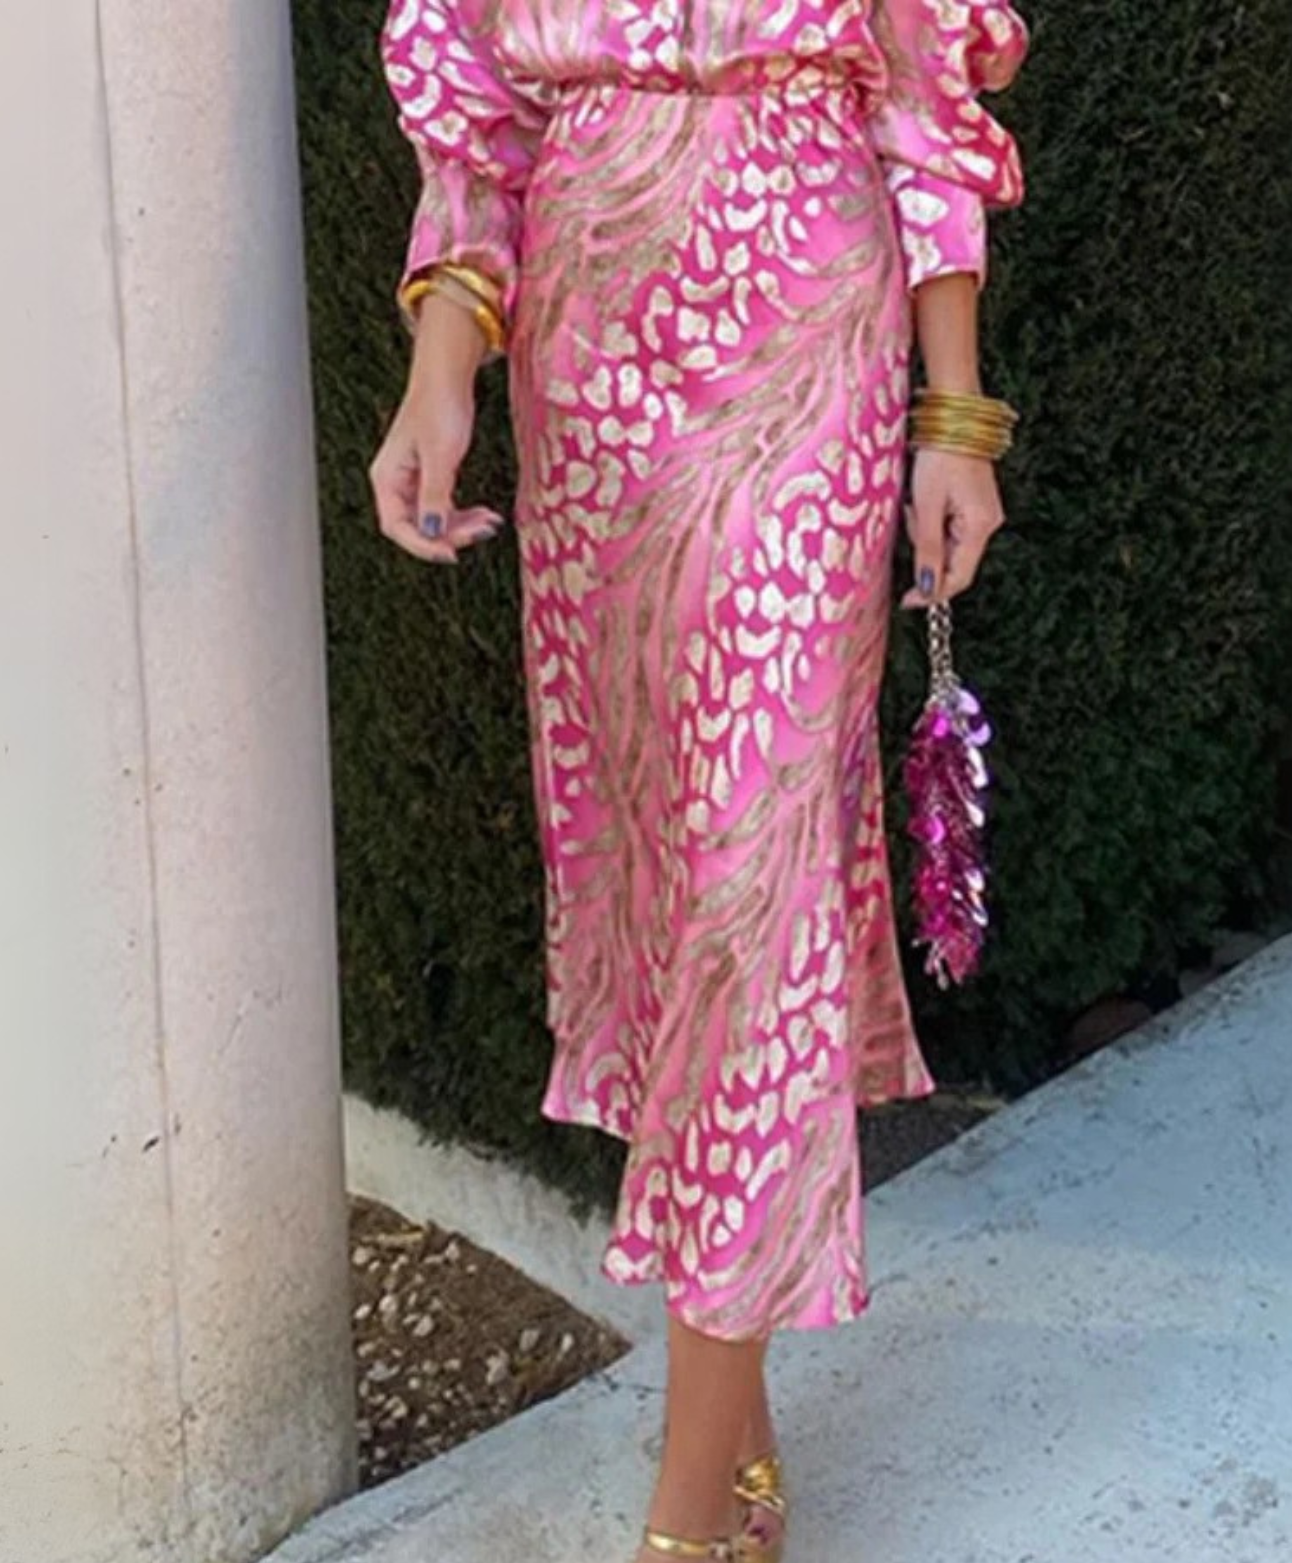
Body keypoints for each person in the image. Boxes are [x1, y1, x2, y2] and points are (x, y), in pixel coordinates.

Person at [370, 0, 1027, 1555]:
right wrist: (440, 371)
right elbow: (476, 123)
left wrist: (954, 419)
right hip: (592, 350)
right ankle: (733, 1413)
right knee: (664, 870)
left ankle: (682, 1507)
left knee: (753, 872)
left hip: (806, 328)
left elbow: (923, 101)